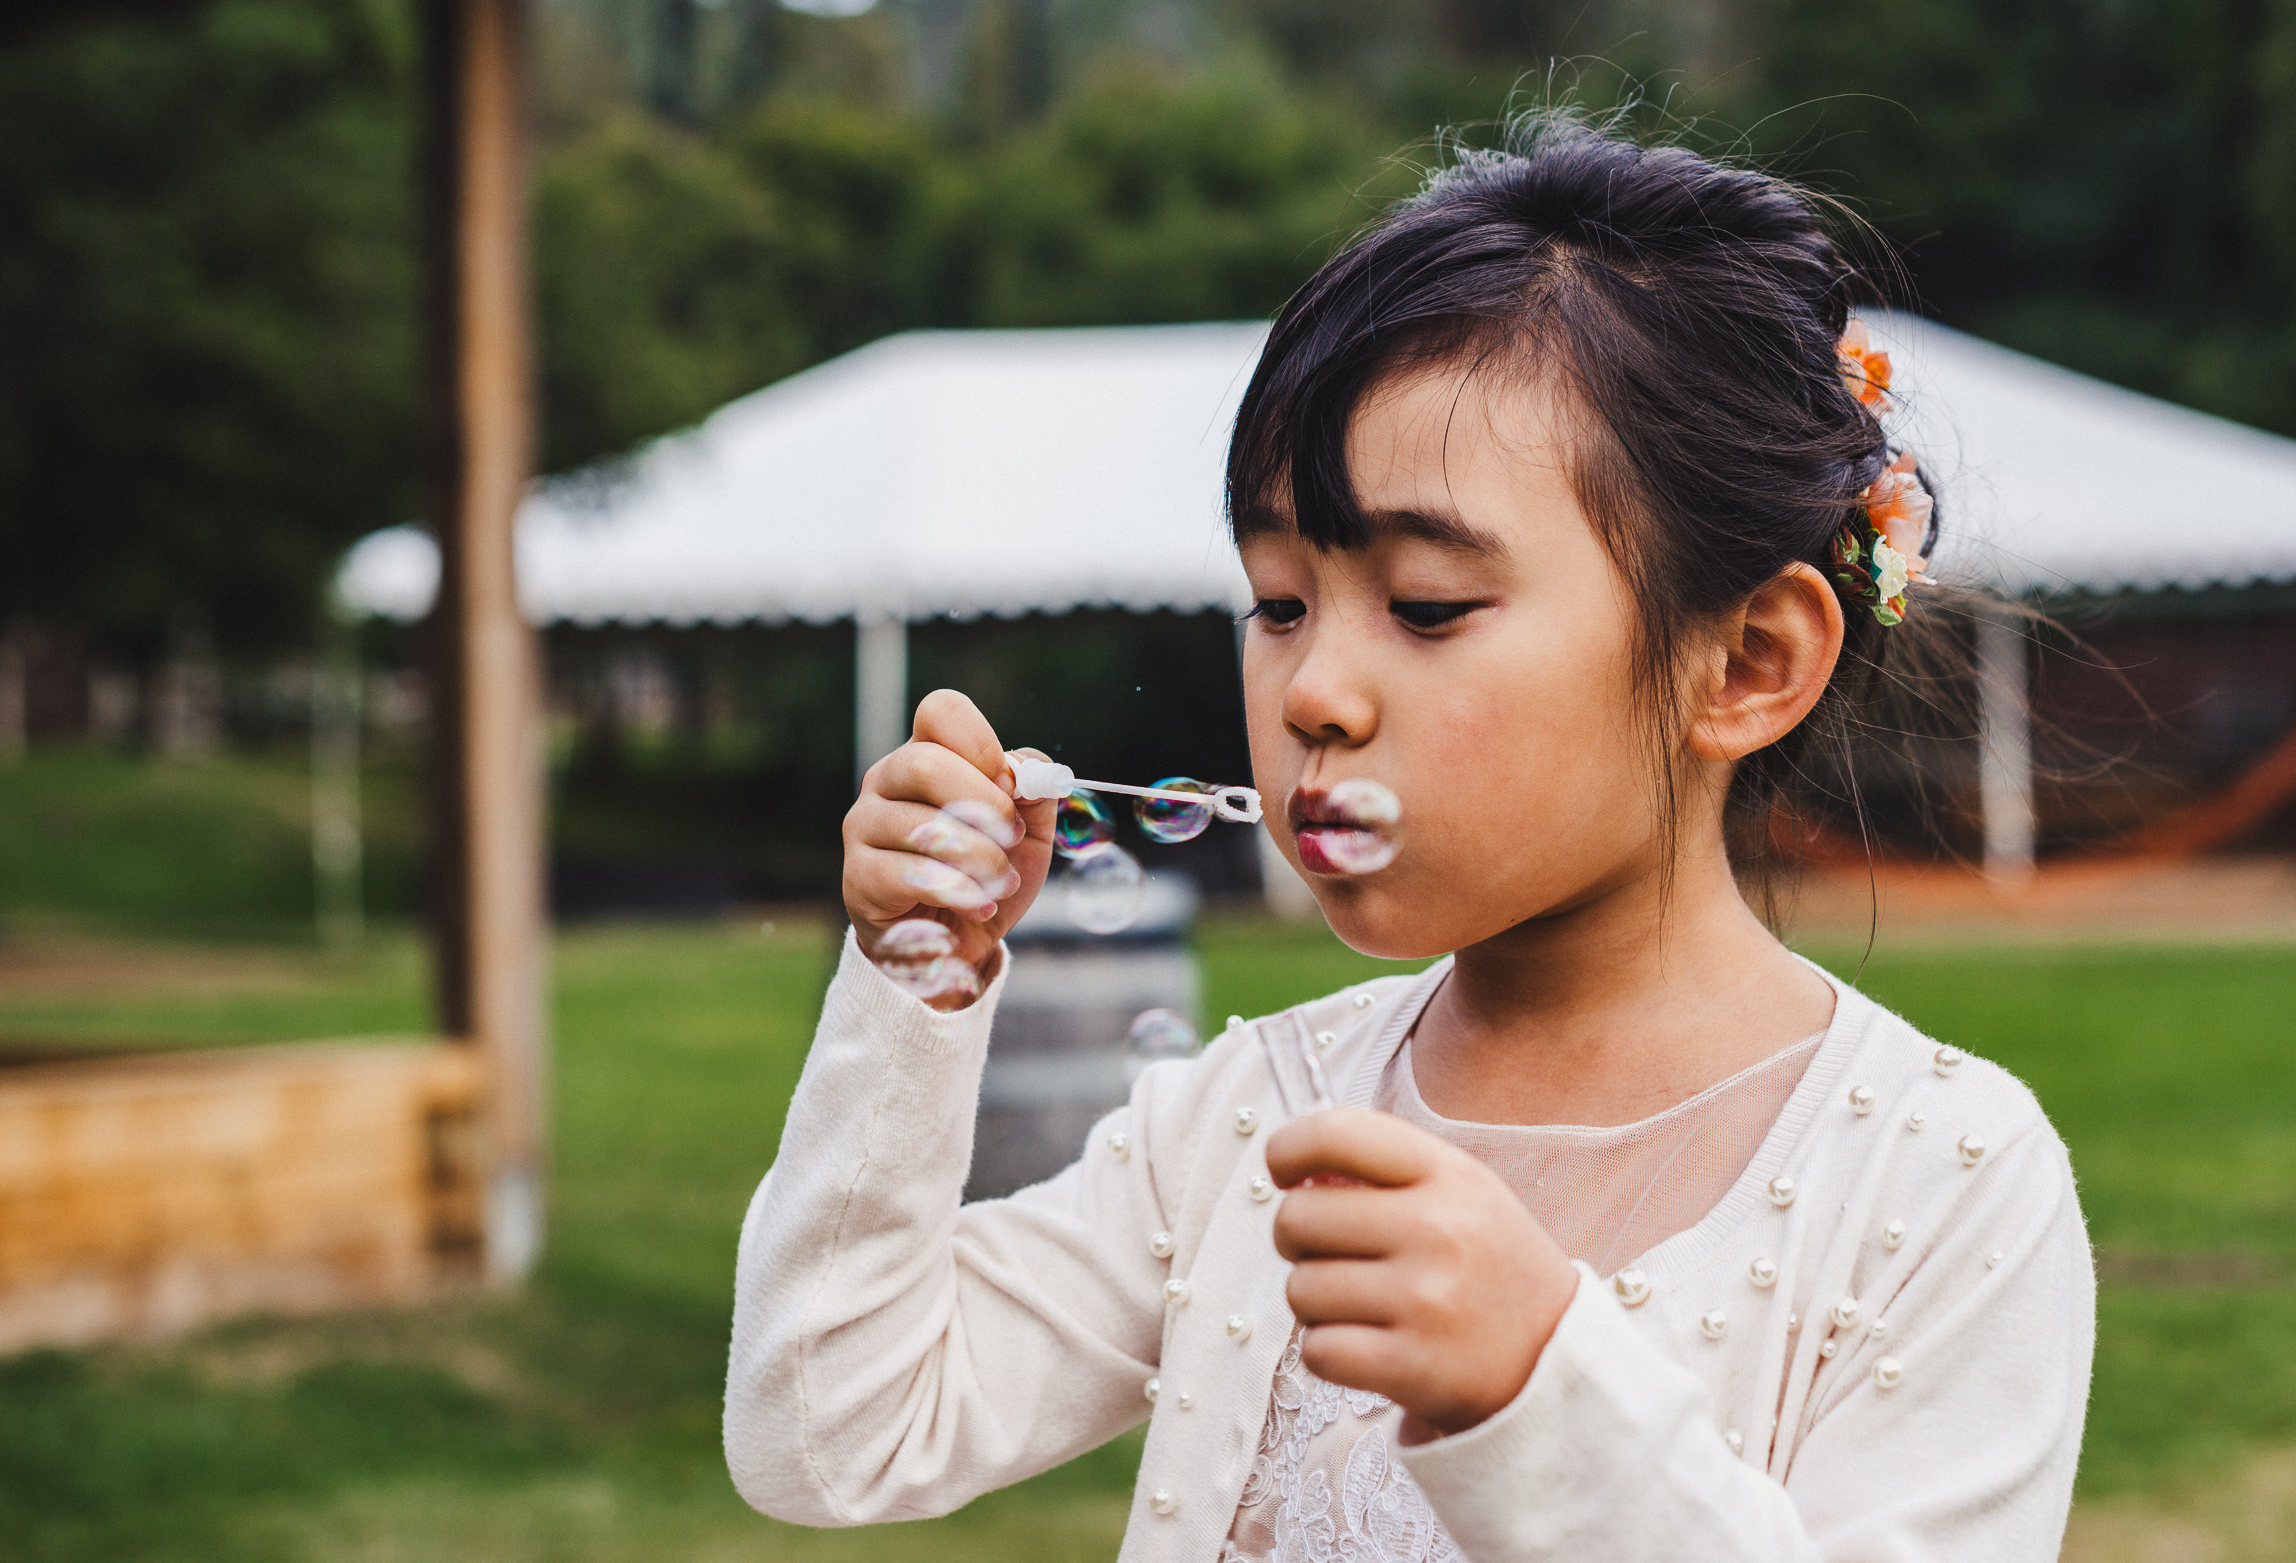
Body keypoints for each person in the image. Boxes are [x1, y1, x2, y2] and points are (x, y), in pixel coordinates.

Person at [725, 115, 2095, 1561]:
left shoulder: (1940, 1181)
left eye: (1429, 606)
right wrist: (914, 989)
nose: (1312, 691)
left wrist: (1536, 1391)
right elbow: (832, 1431)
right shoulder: (1256, 1118)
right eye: (1277, 600)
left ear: (1746, 661)